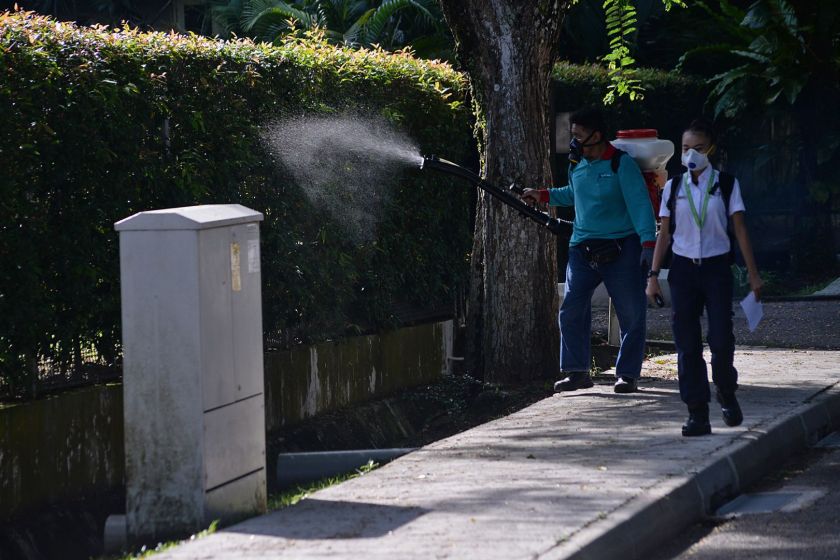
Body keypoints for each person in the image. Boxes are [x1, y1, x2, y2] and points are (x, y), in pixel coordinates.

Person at [522, 108, 657, 394]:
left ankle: (628, 375)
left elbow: (640, 204)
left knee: (631, 313)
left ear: (596, 135)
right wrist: (543, 194)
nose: (574, 142)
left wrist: (648, 244)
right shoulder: (577, 164)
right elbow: (573, 193)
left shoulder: (621, 165)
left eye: (578, 136)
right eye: (572, 136)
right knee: (571, 310)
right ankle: (577, 372)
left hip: (621, 249)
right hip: (581, 249)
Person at [645, 119, 763, 437]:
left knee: (721, 339)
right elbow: (665, 235)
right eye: (685, 149)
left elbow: (739, 229)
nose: (691, 154)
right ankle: (697, 412)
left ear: (710, 150)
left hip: (715, 269)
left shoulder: (726, 184)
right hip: (683, 270)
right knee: (687, 344)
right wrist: (653, 276)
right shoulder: (674, 187)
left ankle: (725, 389)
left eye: (698, 148)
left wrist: (754, 276)